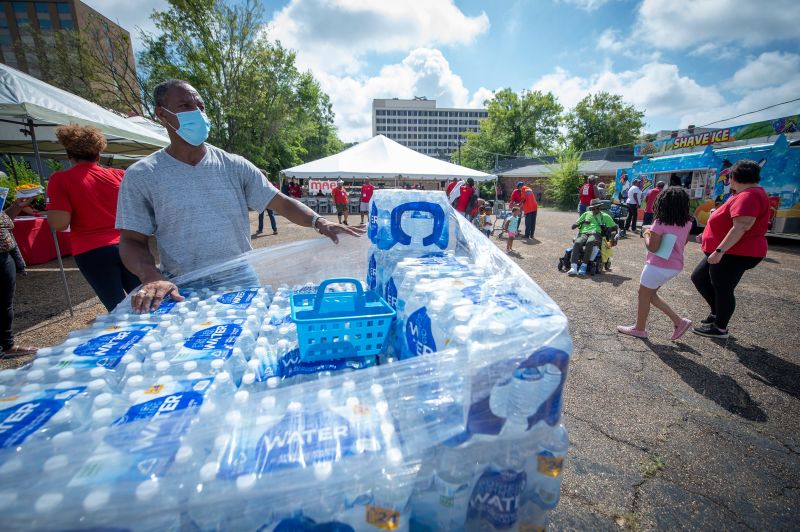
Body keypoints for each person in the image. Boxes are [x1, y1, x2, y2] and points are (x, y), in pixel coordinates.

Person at [116, 79, 362, 313]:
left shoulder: (234, 165)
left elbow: (281, 202)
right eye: (185, 106)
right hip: (181, 286)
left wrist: (320, 222)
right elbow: (131, 240)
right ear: (161, 114)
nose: (198, 114)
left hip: (241, 279)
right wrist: (151, 276)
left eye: (201, 107)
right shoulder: (143, 175)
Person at [46, 124, 141, 312]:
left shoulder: (60, 179)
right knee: (144, 299)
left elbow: (59, 223)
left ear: (69, 155)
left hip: (91, 250)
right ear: (98, 155)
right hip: (128, 244)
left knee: (118, 309)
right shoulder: (120, 175)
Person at [690, 160, 770, 339]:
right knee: (699, 277)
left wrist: (720, 250)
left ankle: (720, 327)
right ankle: (717, 313)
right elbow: (729, 221)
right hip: (727, 250)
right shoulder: (746, 193)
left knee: (723, 288)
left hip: (735, 252)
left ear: (735, 177)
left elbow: (742, 226)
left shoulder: (749, 195)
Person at [617, 187, 693, 340]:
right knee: (650, 295)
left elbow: (652, 247)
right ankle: (679, 322)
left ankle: (639, 329)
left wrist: (646, 233)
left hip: (657, 266)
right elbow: (683, 243)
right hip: (674, 265)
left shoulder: (659, 222)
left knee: (644, 295)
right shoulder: (688, 222)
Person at [1, 195, 38, 357]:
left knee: (4, 304)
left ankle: (7, 345)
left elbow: (4, 221)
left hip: (3, 255)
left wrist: (17, 206)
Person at [568, 198, 618, 276]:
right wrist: (583, 221)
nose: (596, 209)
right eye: (594, 208)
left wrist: (613, 237)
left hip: (596, 234)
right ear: (591, 208)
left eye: (598, 208)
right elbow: (573, 227)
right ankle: (573, 267)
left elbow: (615, 227)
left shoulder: (605, 216)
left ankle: (583, 266)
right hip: (584, 233)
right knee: (577, 242)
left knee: (590, 242)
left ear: (600, 207)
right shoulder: (586, 214)